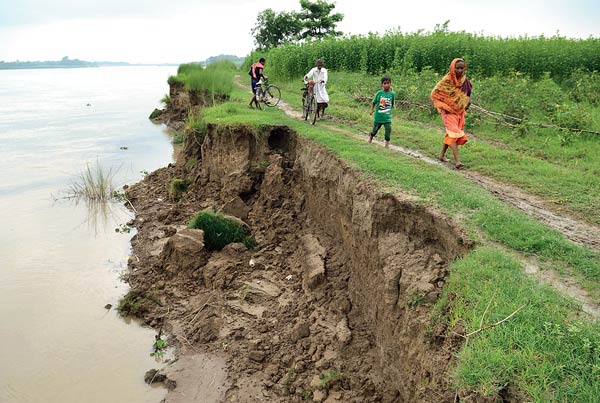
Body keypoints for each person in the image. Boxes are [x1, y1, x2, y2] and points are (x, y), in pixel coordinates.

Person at [430, 58, 472, 169]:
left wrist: (465, 104)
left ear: (464, 68)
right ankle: (457, 161)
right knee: (454, 134)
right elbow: (435, 94)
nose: (459, 70)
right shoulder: (446, 80)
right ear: (453, 68)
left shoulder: (464, 81)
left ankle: (441, 155)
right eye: (457, 68)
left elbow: (466, 95)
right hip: (447, 112)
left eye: (462, 68)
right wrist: (444, 106)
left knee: (450, 134)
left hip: (459, 112)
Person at [368, 76, 395, 148]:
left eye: (388, 83)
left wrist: (392, 108)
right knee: (375, 130)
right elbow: (374, 102)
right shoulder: (379, 93)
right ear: (382, 84)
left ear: (390, 84)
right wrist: (372, 110)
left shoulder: (392, 94)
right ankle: (371, 137)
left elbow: (392, 103)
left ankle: (387, 143)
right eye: (384, 83)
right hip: (378, 116)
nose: (386, 85)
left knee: (388, 129)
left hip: (387, 117)